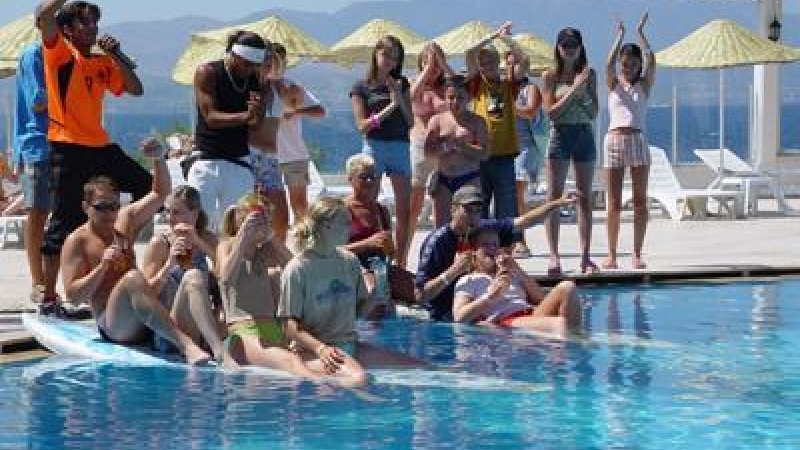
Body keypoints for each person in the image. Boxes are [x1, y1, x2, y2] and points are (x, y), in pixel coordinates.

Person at [36, 0, 153, 314]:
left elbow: (136, 89)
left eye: (94, 22)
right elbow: (44, 15)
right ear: (68, 29)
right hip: (67, 146)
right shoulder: (60, 54)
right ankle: (49, 298)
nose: (92, 28)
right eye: (84, 22)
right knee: (63, 223)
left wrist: (116, 55)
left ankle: (120, 245)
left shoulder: (102, 60)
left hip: (99, 146)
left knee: (147, 187)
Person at [60, 138, 211, 365]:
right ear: (85, 207)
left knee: (186, 277)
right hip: (114, 323)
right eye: (101, 207)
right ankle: (186, 345)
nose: (109, 214)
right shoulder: (77, 241)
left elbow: (160, 193)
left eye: (113, 206)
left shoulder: (125, 222)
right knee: (132, 277)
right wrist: (102, 267)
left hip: (144, 313)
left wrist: (158, 158)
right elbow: (73, 298)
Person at [278, 197, 419, 386]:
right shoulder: (298, 269)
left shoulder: (349, 261)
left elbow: (358, 313)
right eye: (345, 223)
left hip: (349, 344)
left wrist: (375, 297)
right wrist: (321, 349)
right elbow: (288, 326)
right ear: (326, 227)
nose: (351, 229)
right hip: (313, 352)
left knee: (419, 367)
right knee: (360, 379)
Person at [415, 185, 576, 321]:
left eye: (478, 210)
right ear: (453, 210)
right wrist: (452, 272)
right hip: (447, 314)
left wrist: (557, 203)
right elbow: (420, 296)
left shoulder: (483, 228)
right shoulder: (437, 242)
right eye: (468, 210)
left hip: (486, 309)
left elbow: (524, 221)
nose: (474, 216)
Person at [216, 195, 319, 377]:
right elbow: (225, 280)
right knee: (291, 361)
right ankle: (326, 388)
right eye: (259, 220)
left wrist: (272, 237)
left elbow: (298, 270)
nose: (263, 225)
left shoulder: (264, 250)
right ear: (241, 220)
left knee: (310, 362)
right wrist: (243, 237)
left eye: (267, 221)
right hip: (242, 332)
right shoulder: (226, 246)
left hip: (273, 330)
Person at [141, 185, 236, 367]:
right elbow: (145, 297)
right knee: (193, 276)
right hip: (171, 334)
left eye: (177, 212)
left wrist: (198, 242)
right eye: (167, 212)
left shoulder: (208, 239)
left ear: (195, 214)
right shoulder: (159, 244)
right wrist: (169, 265)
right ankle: (220, 351)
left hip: (203, 330)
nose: (170, 218)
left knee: (230, 302)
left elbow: (227, 275)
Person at [189, 30, 267, 230]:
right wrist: (247, 116)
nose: (250, 69)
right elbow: (211, 118)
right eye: (246, 64)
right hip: (207, 160)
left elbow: (256, 125)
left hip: (239, 161)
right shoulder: (208, 72)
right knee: (200, 225)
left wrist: (257, 113)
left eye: (255, 65)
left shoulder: (256, 80)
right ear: (233, 54)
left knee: (237, 228)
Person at [350, 35, 413, 269]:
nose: (389, 61)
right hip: (375, 145)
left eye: (394, 58)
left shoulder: (402, 83)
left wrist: (399, 97)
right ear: (375, 55)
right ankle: (372, 254)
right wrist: (390, 106)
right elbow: (362, 126)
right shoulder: (361, 87)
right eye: (385, 55)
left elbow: (410, 121)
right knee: (369, 203)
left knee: (404, 209)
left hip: (400, 146)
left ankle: (401, 261)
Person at [465, 21, 530, 248]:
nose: (486, 66)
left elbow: (525, 61)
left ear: (498, 62)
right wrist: (491, 36)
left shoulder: (508, 84)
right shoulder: (476, 84)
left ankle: (507, 249)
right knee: (479, 207)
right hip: (480, 156)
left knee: (507, 208)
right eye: (482, 63)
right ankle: (480, 249)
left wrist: (506, 40)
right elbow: (469, 53)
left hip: (504, 156)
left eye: (490, 61)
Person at [541, 27, 600, 275]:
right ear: (558, 48)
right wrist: (574, 91)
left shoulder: (589, 74)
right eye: (565, 45)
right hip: (560, 134)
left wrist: (583, 93)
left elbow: (594, 112)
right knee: (554, 197)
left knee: (584, 197)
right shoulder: (550, 76)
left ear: (580, 47)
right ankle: (554, 255)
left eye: (573, 45)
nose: (569, 49)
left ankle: (585, 256)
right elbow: (551, 112)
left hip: (584, 133)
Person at [453, 227, 582, 333]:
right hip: (506, 320)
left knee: (567, 287)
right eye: (485, 245)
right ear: (474, 252)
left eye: (495, 245)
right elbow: (459, 317)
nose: (492, 248)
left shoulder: (511, 272)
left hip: (531, 313)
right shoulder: (468, 280)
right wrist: (490, 296)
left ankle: (574, 341)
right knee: (560, 323)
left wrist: (517, 269)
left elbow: (541, 299)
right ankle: (574, 350)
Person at [603, 12, 655, 270]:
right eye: (625, 63)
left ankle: (636, 253)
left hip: (637, 140)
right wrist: (620, 36)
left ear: (639, 65)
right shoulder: (613, 84)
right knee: (613, 203)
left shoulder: (644, 85)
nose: (628, 67)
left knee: (640, 201)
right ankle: (612, 254)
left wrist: (641, 33)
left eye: (633, 64)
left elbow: (652, 59)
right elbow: (608, 63)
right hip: (614, 140)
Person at [12, 42, 53, 309]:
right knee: (38, 212)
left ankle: (52, 281)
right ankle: (38, 283)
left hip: (64, 142)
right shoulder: (34, 55)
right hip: (37, 144)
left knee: (64, 214)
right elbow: (38, 101)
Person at [270, 43, 326, 230]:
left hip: (294, 154)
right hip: (268, 156)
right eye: (273, 61)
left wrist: (297, 111)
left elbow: (320, 111)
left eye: (280, 61)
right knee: (271, 208)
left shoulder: (293, 86)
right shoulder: (259, 87)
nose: (277, 66)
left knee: (300, 207)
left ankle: (302, 242)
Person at [423, 75, 489, 226]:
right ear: (444, 98)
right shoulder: (436, 121)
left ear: (469, 98)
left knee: (469, 225)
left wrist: (463, 146)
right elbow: (427, 152)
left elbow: (485, 154)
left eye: (460, 98)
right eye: (451, 97)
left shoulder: (477, 121)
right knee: (442, 227)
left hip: (469, 177)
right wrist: (447, 146)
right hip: (444, 179)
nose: (455, 102)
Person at [409, 42, 453, 230]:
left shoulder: (448, 87)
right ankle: (404, 247)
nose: (433, 67)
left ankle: (440, 242)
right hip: (420, 146)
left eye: (437, 63)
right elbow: (412, 97)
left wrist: (442, 64)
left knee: (442, 203)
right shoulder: (414, 83)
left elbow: (461, 86)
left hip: (444, 147)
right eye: (428, 62)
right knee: (414, 204)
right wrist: (427, 69)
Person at [342, 154, 395, 294]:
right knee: (373, 292)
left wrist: (390, 248)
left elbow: (390, 253)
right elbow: (331, 252)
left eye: (373, 177)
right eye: (363, 177)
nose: (369, 181)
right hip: (351, 270)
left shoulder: (382, 210)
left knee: (420, 290)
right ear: (350, 179)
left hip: (379, 270)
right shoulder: (342, 210)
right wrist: (367, 244)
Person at [511, 75, 545, 259]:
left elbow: (531, 111)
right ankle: (513, 239)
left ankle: (520, 240)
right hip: (506, 147)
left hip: (525, 147)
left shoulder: (529, 88)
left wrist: (510, 106)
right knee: (511, 196)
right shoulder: (503, 86)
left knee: (517, 195)